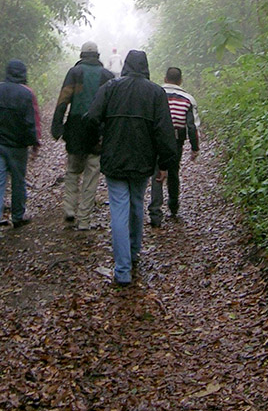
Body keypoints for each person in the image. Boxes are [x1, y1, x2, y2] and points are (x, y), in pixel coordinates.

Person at [84, 50, 177, 286]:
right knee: (137, 204)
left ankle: (122, 269)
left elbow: (92, 117)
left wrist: (99, 139)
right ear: (146, 67)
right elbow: (165, 132)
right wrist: (164, 164)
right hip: (143, 160)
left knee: (118, 210)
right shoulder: (156, 92)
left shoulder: (110, 88)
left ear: (126, 66)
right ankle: (134, 252)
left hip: (114, 158)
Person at [51, 41, 114, 230]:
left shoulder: (74, 73)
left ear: (81, 55)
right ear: (97, 55)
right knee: (92, 173)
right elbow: (110, 107)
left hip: (76, 129)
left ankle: (69, 209)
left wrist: (57, 126)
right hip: (97, 130)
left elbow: (64, 99)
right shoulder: (107, 76)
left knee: (72, 170)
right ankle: (84, 219)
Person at [0, 59, 41, 241]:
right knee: (18, 181)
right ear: (23, 74)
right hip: (18, 148)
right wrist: (34, 143)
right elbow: (31, 122)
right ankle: (18, 217)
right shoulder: (27, 94)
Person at [148, 67, 200, 227]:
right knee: (173, 170)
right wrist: (195, 147)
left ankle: (155, 211)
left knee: (157, 171)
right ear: (180, 80)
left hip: (156, 137)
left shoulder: (155, 93)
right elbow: (192, 126)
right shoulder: (188, 99)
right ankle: (173, 204)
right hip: (176, 139)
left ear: (165, 78)